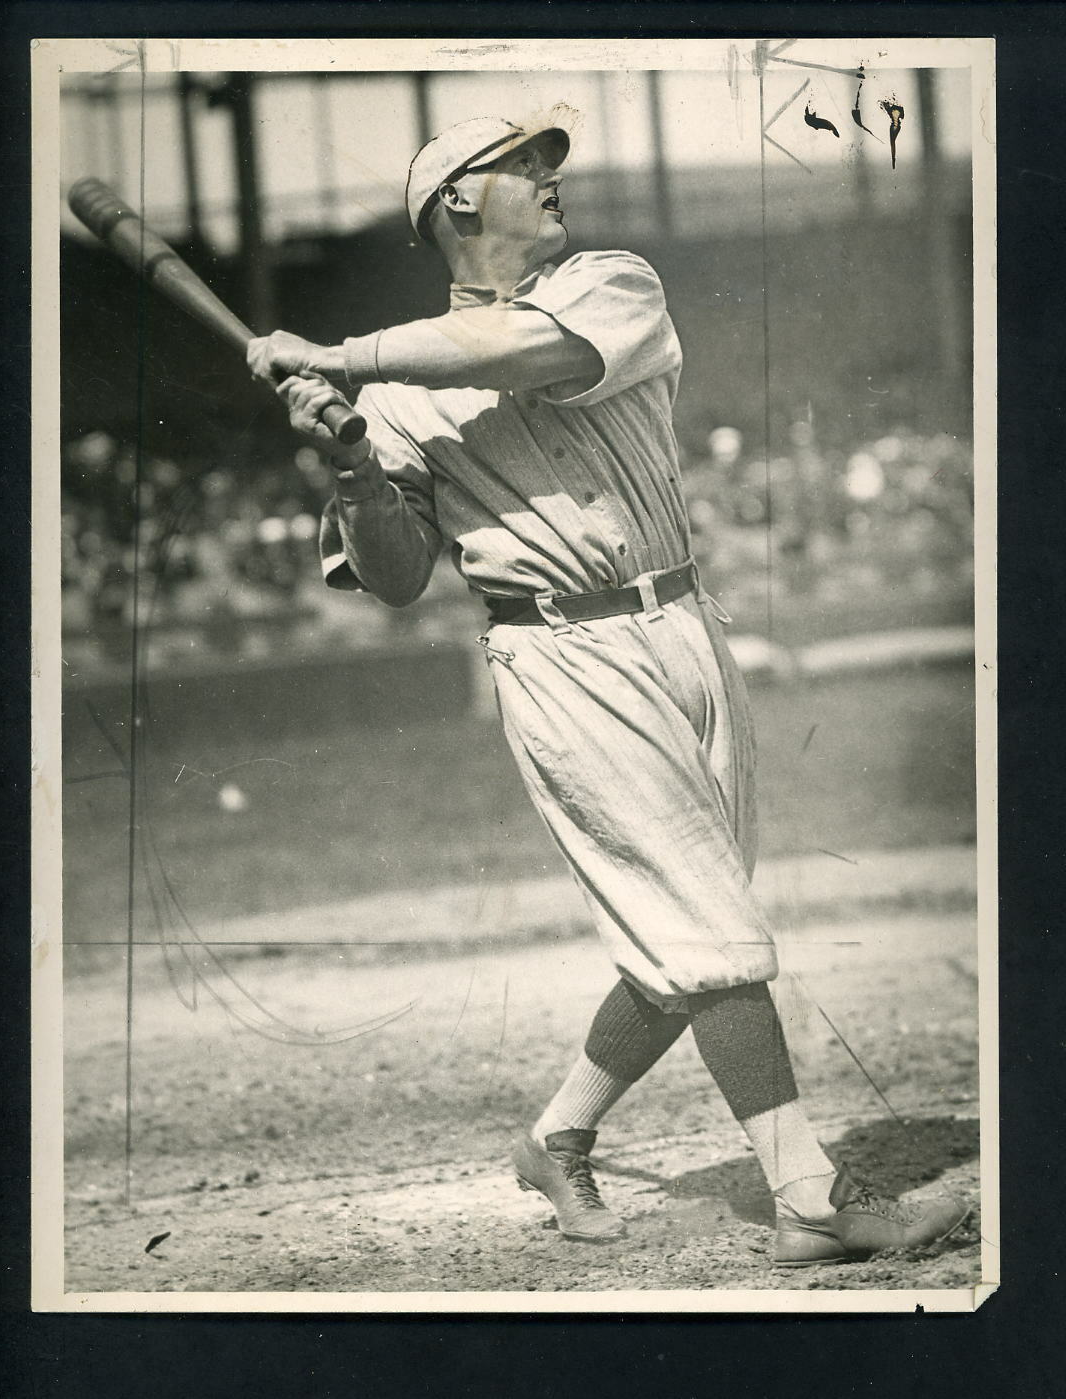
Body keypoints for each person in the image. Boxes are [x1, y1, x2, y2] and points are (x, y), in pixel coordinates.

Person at [247, 115, 967, 1267]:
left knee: (679, 927)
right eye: (521, 169)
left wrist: (344, 357)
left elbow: (525, 356)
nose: (550, 180)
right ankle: (810, 1202)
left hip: (684, 626)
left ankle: (555, 1136)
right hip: (559, 658)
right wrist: (348, 463)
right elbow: (390, 579)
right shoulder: (388, 386)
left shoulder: (605, 283)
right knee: (708, 930)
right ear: (455, 206)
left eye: (547, 164)